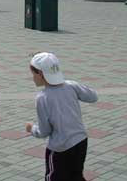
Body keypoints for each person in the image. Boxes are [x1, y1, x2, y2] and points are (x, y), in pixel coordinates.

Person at [25, 52, 98, 181]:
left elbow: (44, 131)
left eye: (33, 74)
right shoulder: (71, 86)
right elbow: (93, 97)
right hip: (81, 141)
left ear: (41, 74)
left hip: (60, 149)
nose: (32, 78)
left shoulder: (42, 98)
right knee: (76, 176)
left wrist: (32, 129)